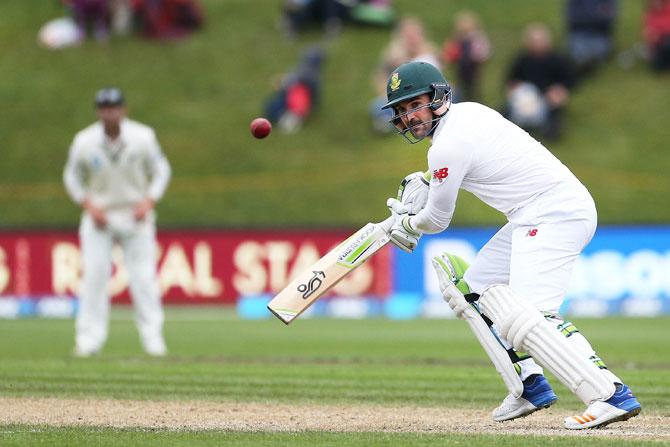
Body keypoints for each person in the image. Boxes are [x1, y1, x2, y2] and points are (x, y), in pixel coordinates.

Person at [381, 61, 641, 429]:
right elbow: (450, 173)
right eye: (403, 110)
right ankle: (528, 385)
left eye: (415, 104)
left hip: (553, 212)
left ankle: (609, 393)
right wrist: (424, 184)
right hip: (533, 214)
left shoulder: (447, 146)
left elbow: (437, 220)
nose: (410, 117)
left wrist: (406, 223)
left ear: (439, 98)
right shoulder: (469, 114)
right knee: (471, 289)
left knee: (532, 314)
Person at [63, 87, 172, 357]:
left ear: (123, 109)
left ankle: (153, 340)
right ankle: (89, 341)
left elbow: (161, 170)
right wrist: (89, 205)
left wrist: (149, 201)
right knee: (95, 277)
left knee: (144, 279)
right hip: (100, 215)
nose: (109, 112)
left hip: (136, 214)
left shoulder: (143, 137)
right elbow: (72, 177)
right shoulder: (84, 141)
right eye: (104, 108)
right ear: (99, 111)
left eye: (114, 107)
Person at [370, 17, 440, 134]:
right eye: (408, 35)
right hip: (401, 96)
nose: (411, 39)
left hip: (426, 95)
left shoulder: (429, 53)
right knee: (378, 105)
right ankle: (390, 122)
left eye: (414, 34)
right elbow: (380, 77)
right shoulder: (394, 56)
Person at [506, 23, 576, 140]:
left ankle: (550, 132)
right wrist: (514, 90)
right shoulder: (522, 59)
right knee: (504, 111)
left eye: (540, 41)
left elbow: (569, 81)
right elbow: (511, 80)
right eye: (534, 41)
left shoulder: (558, 60)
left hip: (548, 97)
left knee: (554, 112)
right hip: (526, 96)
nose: (537, 44)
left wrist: (560, 91)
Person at [264, 46, 326, 133]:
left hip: (297, 100)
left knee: (279, 109)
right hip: (291, 98)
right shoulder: (311, 75)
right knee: (274, 107)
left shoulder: (306, 75)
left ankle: (284, 121)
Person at [441, 10, 491, 101]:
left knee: (472, 89)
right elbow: (449, 53)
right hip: (460, 68)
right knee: (462, 89)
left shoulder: (476, 38)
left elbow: (483, 54)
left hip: (473, 68)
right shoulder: (457, 39)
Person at [565, 0, 618, 76]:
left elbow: (609, 20)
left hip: (600, 35)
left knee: (598, 50)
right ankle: (583, 64)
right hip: (579, 34)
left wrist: (585, 15)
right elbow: (572, 20)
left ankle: (587, 64)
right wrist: (596, 15)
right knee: (579, 50)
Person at [643, 0, 670, 71]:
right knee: (657, 66)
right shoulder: (650, 15)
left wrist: (661, 33)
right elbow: (648, 32)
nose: (656, 4)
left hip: (666, 40)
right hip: (658, 45)